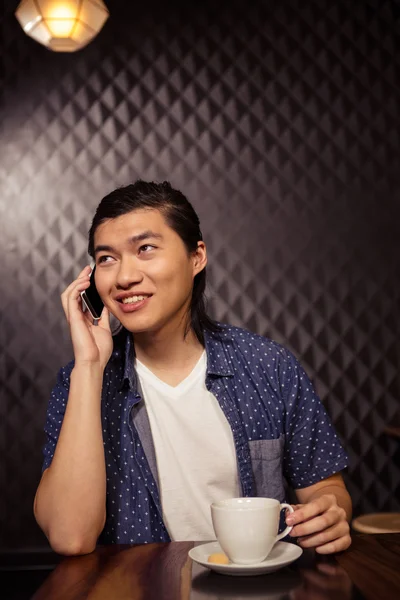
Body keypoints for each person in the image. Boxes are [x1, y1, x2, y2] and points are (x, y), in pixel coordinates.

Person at [34, 180, 352, 556]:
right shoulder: (81, 381)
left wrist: (330, 513)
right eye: (106, 258)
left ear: (196, 257)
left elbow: (327, 491)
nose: (123, 277)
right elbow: (70, 537)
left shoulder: (269, 366)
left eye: (145, 249)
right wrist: (89, 367)